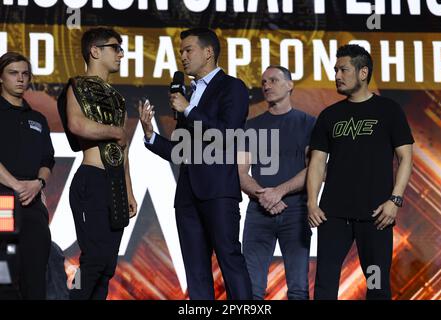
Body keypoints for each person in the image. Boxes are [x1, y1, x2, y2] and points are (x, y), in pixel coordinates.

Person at [139, 28, 252, 300]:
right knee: (196, 269)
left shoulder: (232, 87)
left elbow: (226, 134)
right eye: (181, 52)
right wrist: (150, 135)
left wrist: (189, 109)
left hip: (218, 191)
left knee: (229, 260)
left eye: (188, 50)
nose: (183, 57)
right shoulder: (189, 94)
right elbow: (183, 151)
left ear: (208, 52)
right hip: (187, 194)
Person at [307, 44, 414, 300]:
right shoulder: (329, 115)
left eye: (343, 70)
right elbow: (317, 162)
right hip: (332, 216)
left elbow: (406, 158)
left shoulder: (389, 111)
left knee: (377, 287)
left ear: (363, 72)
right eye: (336, 70)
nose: (337, 76)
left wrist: (395, 201)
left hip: (376, 215)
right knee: (324, 285)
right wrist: (312, 203)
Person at [57, 27, 137, 300]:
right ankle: (73, 296)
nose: (121, 54)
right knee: (93, 260)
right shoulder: (76, 86)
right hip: (90, 180)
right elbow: (77, 124)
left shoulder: (118, 98)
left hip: (114, 184)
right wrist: (114, 131)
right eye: (115, 47)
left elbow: (122, 150)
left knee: (107, 267)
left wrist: (128, 189)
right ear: (95, 51)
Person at [238, 66, 315, 300]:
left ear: (290, 85)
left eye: (273, 80)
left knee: (299, 289)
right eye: (263, 82)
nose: (267, 86)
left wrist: (278, 192)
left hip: (296, 212)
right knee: (252, 291)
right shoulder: (250, 126)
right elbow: (240, 172)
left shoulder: (309, 123)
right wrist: (265, 197)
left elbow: (315, 170)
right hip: (258, 212)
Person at [0, 52, 55, 299]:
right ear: (1, 78)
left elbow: (47, 160)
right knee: (4, 273)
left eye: (25, 74)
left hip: (32, 203)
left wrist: (38, 183)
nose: (20, 79)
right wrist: (15, 185)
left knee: (35, 277)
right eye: (13, 73)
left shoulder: (38, 119)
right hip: (3, 201)